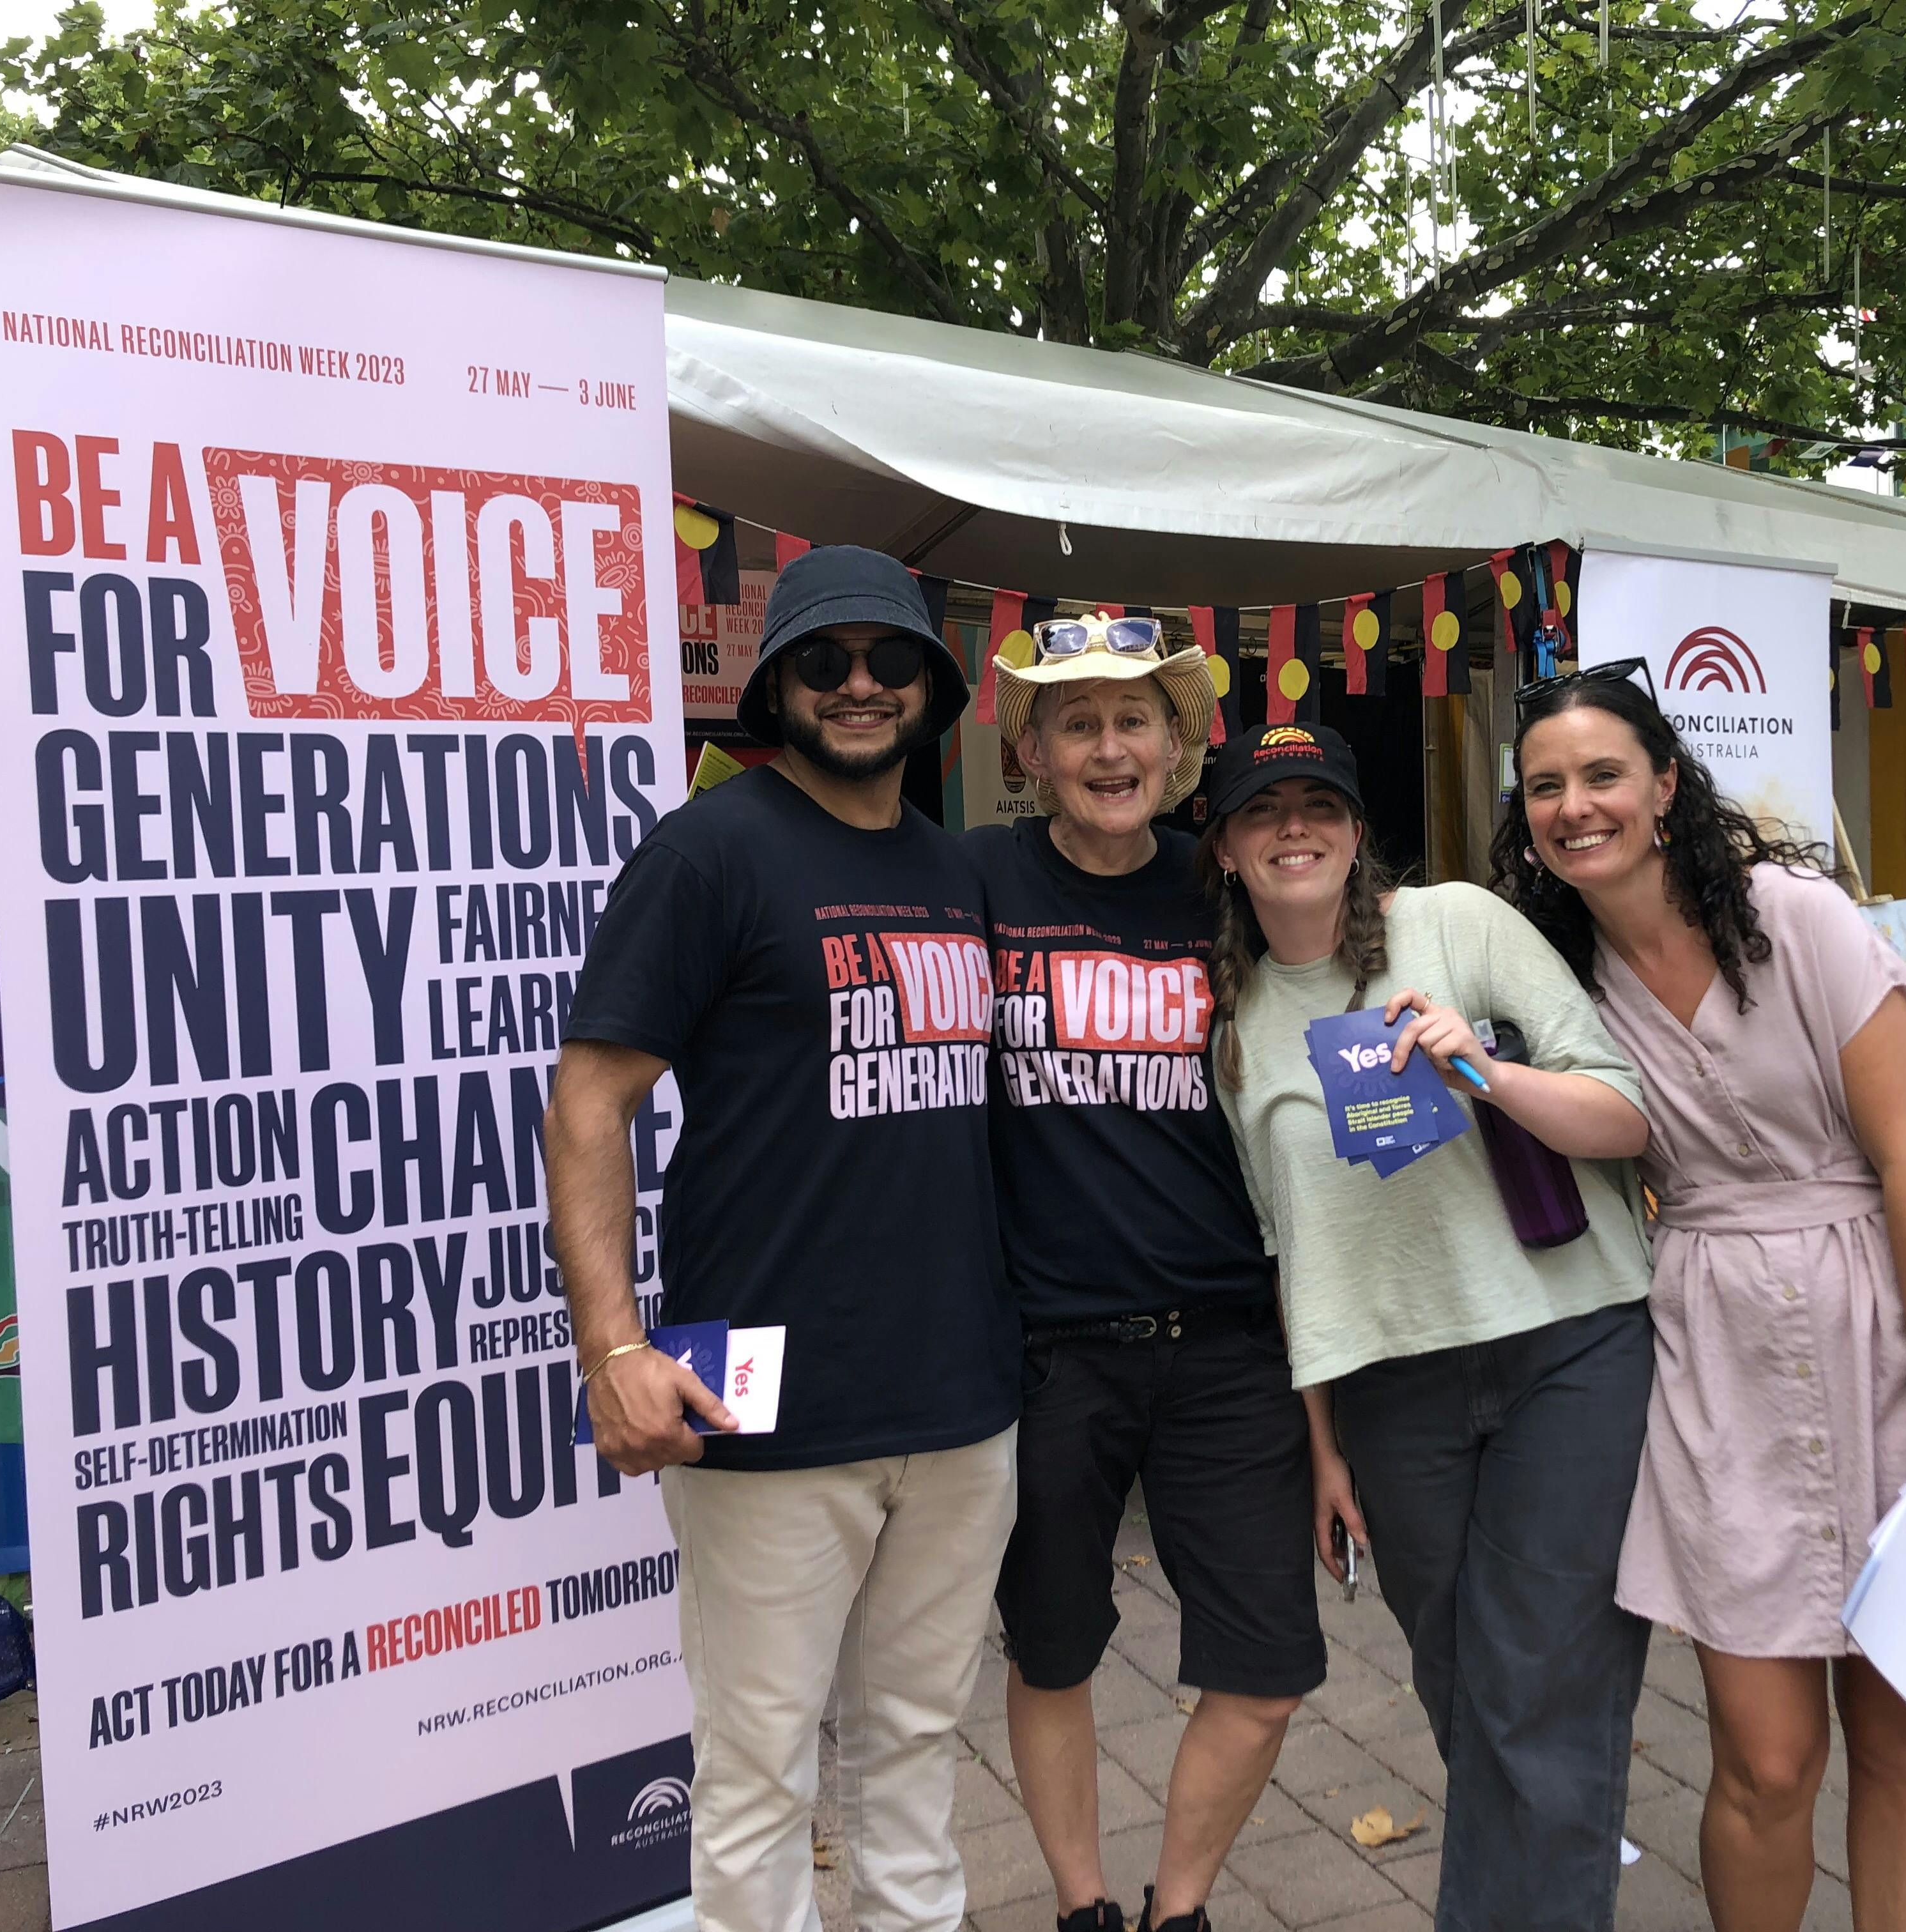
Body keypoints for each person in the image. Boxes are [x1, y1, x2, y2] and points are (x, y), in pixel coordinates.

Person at [1492, 665, 1906, 1932]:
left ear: (1666, 784)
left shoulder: (1793, 915)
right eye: (1547, 788)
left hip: (1892, 1336)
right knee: (1766, 1759)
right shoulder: (1556, 972)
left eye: (1603, 775)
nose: (1576, 806)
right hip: (1718, 1356)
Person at [545, 546, 1021, 1932]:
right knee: (759, 1777)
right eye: (826, 660)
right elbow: (591, 1099)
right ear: (778, 684)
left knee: (919, 1755)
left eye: (889, 660)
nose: (861, 684)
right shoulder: (709, 849)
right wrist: (610, 1346)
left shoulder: (954, 870)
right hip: (757, 1404)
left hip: (958, 1405)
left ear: (934, 687)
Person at [1202, 721, 1658, 1932]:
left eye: (1320, 804)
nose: (1293, 828)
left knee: (1536, 1686)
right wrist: (1323, 1442)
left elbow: (1628, 1111)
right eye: (1263, 810)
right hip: (1391, 1392)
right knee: (1465, 1685)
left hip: (1567, 1348)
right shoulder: (1233, 1025)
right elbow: (1282, 1247)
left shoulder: (1455, 924)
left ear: (1357, 833)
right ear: (1228, 850)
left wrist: (1487, 1073)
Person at [968, 613, 1321, 1932]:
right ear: (1033, 749)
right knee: (1052, 1646)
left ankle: (1180, 1909)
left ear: (1180, 748)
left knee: (1267, 1664)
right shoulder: (976, 884)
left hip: (1230, 1343)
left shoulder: (1223, 890)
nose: (1108, 747)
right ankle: (1082, 1907)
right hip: (1048, 1352)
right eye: (1077, 723)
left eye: (1134, 721)